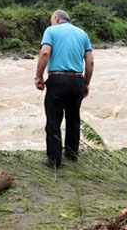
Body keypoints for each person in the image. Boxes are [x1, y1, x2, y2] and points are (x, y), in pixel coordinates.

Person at [34, 10, 94, 168]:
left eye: (51, 20)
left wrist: (38, 76)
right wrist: (86, 83)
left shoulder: (51, 31)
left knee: (54, 120)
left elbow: (45, 52)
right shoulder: (82, 34)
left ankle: (54, 159)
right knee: (73, 118)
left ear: (56, 18)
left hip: (57, 79)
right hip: (77, 80)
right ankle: (72, 153)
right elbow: (90, 62)